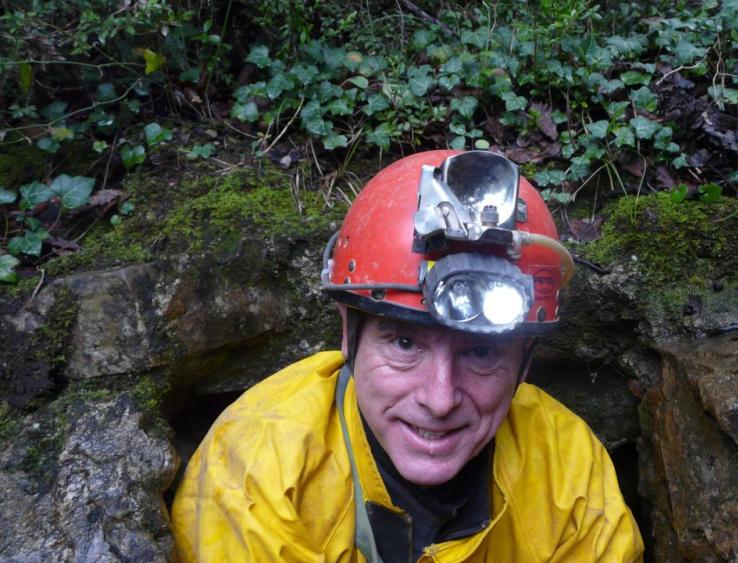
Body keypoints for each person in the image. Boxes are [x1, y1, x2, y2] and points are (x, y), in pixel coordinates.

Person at [171, 149, 644, 562]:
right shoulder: (260, 473)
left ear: (525, 360)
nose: (440, 400)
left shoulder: (567, 472)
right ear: (347, 331)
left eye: (481, 351)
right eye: (404, 343)